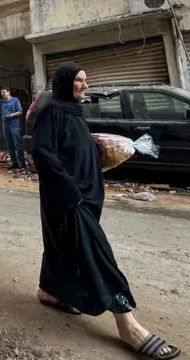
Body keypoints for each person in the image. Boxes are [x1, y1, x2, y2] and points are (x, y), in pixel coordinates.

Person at [32, 63, 180, 360]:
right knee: (95, 253)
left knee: (64, 246)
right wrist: (70, 191)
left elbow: (75, 150)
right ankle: (127, 323)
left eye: (86, 80)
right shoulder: (52, 113)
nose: (85, 86)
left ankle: (49, 290)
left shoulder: (74, 112)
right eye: (79, 81)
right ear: (64, 83)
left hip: (86, 196)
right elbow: (42, 152)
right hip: (69, 199)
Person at [0, 88, 25, 169]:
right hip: (5, 127)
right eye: (1, 92)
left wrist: (11, 115)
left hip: (14, 126)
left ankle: (22, 163)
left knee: (18, 145)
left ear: (8, 92)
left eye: (4, 92)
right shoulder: (1, 102)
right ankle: (14, 163)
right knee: (10, 146)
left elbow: (20, 111)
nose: (2, 94)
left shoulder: (15, 100)